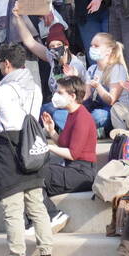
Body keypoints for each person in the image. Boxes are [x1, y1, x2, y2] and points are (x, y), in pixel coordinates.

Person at [0, 43, 56, 256]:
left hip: (8, 149)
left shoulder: (2, 91)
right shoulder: (35, 88)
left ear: (7, 64)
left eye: (0, 63)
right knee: (37, 206)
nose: (0, 67)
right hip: (32, 148)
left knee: (12, 209)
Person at [39, 76, 97, 209]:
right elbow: (64, 144)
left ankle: (52, 214)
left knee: (39, 175)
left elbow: (73, 154)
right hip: (72, 168)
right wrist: (52, 131)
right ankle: (50, 213)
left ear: (72, 96)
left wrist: (48, 147)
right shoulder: (71, 114)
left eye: (60, 92)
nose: (55, 96)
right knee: (34, 176)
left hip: (82, 173)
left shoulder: (82, 117)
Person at [11, 10, 85, 107]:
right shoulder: (51, 57)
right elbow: (29, 41)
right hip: (56, 103)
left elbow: (77, 90)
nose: (55, 48)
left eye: (59, 45)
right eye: (52, 46)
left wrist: (72, 75)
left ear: (66, 46)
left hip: (73, 105)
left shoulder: (75, 65)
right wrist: (18, 17)